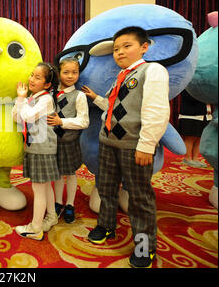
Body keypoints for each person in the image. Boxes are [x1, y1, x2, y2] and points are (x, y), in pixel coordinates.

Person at [81, 26, 170, 268]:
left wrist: (147, 144)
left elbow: (157, 110)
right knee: (106, 188)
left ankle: (144, 246)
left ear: (144, 47)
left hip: (134, 147)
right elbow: (114, 108)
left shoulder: (152, 71)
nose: (119, 52)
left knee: (139, 197)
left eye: (126, 46)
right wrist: (96, 98)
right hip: (107, 143)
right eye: (116, 49)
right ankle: (107, 225)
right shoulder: (119, 78)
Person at [12, 62, 60, 240]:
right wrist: (21, 99)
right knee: (45, 185)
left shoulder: (45, 98)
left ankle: (36, 228)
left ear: (47, 84)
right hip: (36, 147)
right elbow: (16, 117)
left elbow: (27, 116)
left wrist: (22, 98)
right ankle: (52, 216)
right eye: (32, 74)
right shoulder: (32, 98)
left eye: (37, 77)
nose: (31, 79)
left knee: (38, 189)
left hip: (42, 148)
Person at [47, 57, 89, 223]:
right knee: (56, 173)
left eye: (75, 72)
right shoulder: (50, 93)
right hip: (52, 141)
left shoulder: (79, 96)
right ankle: (58, 203)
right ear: (59, 73)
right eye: (66, 72)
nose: (70, 76)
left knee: (70, 173)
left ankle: (70, 204)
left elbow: (84, 121)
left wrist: (61, 122)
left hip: (70, 141)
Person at [178, 89, 212, 168]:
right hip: (191, 115)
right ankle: (187, 158)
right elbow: (190, 98)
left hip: (205, 115)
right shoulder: (188, 86)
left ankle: (195, 158)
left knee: (199, 137)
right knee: (190, 137)